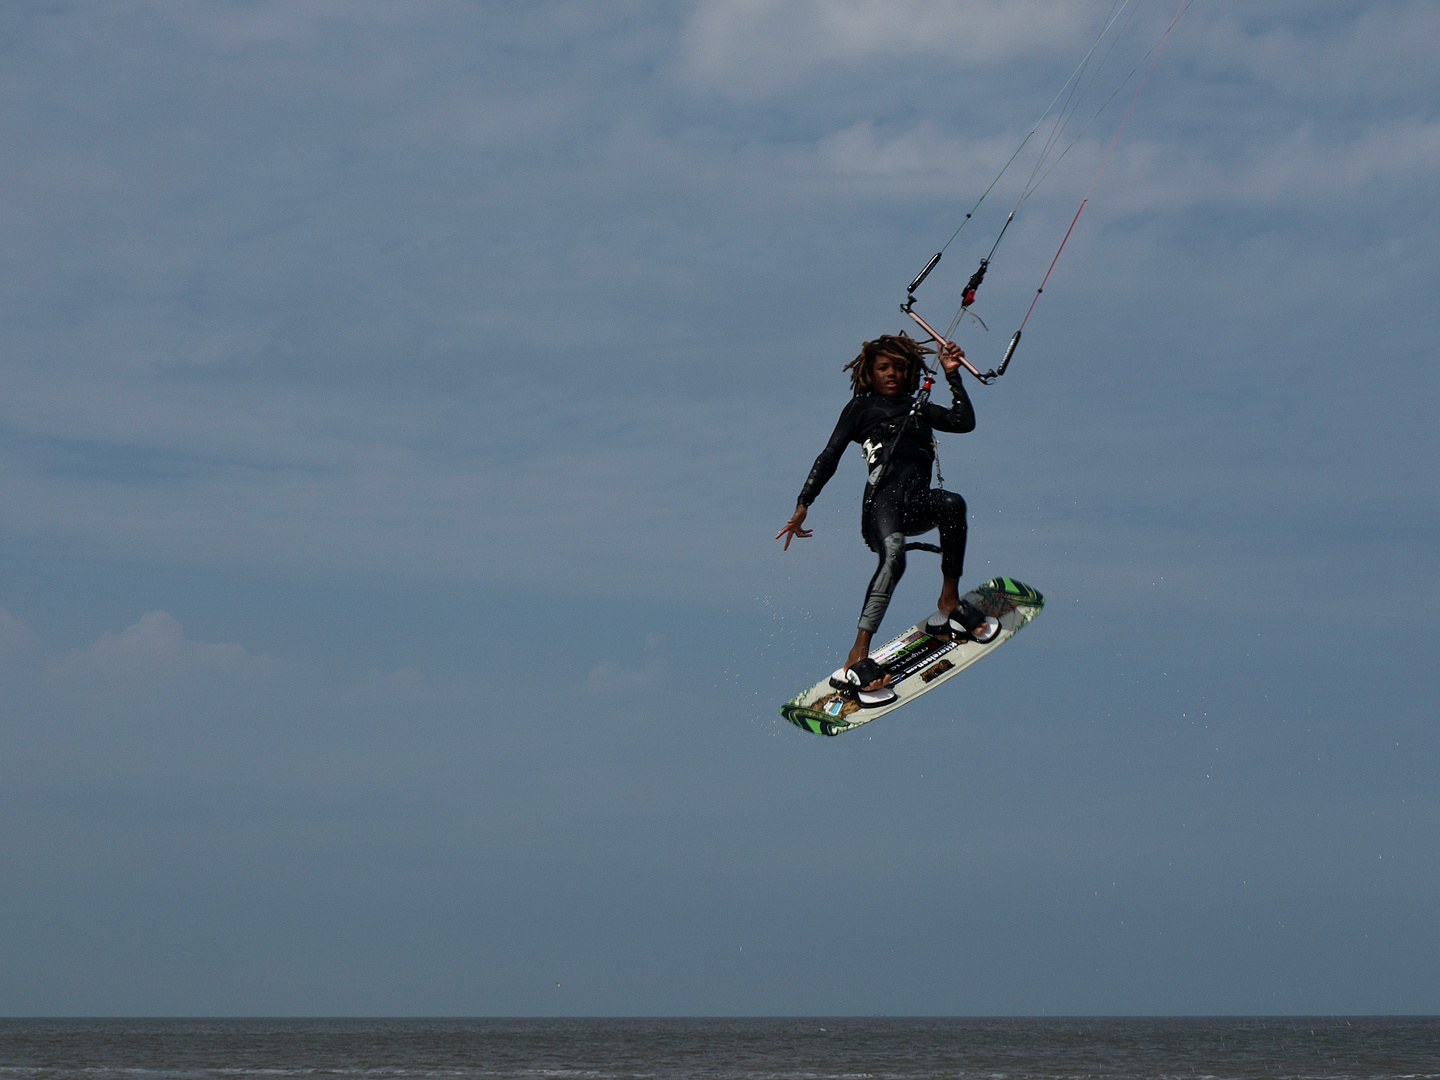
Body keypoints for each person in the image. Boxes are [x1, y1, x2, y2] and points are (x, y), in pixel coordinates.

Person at [775, 332, 1000, 708]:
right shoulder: (861, 409)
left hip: (916, 503)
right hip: (881, 506)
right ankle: (855, 656)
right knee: (894, 555)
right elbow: (828, 456)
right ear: (870, 373)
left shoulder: (918, 408)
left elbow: (963, 422)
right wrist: (803, 503)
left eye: (898, 367)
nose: (891, 373)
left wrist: (952, 374)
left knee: (952, 503)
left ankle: (949, 601)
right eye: (883, 368)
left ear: (910, 371)